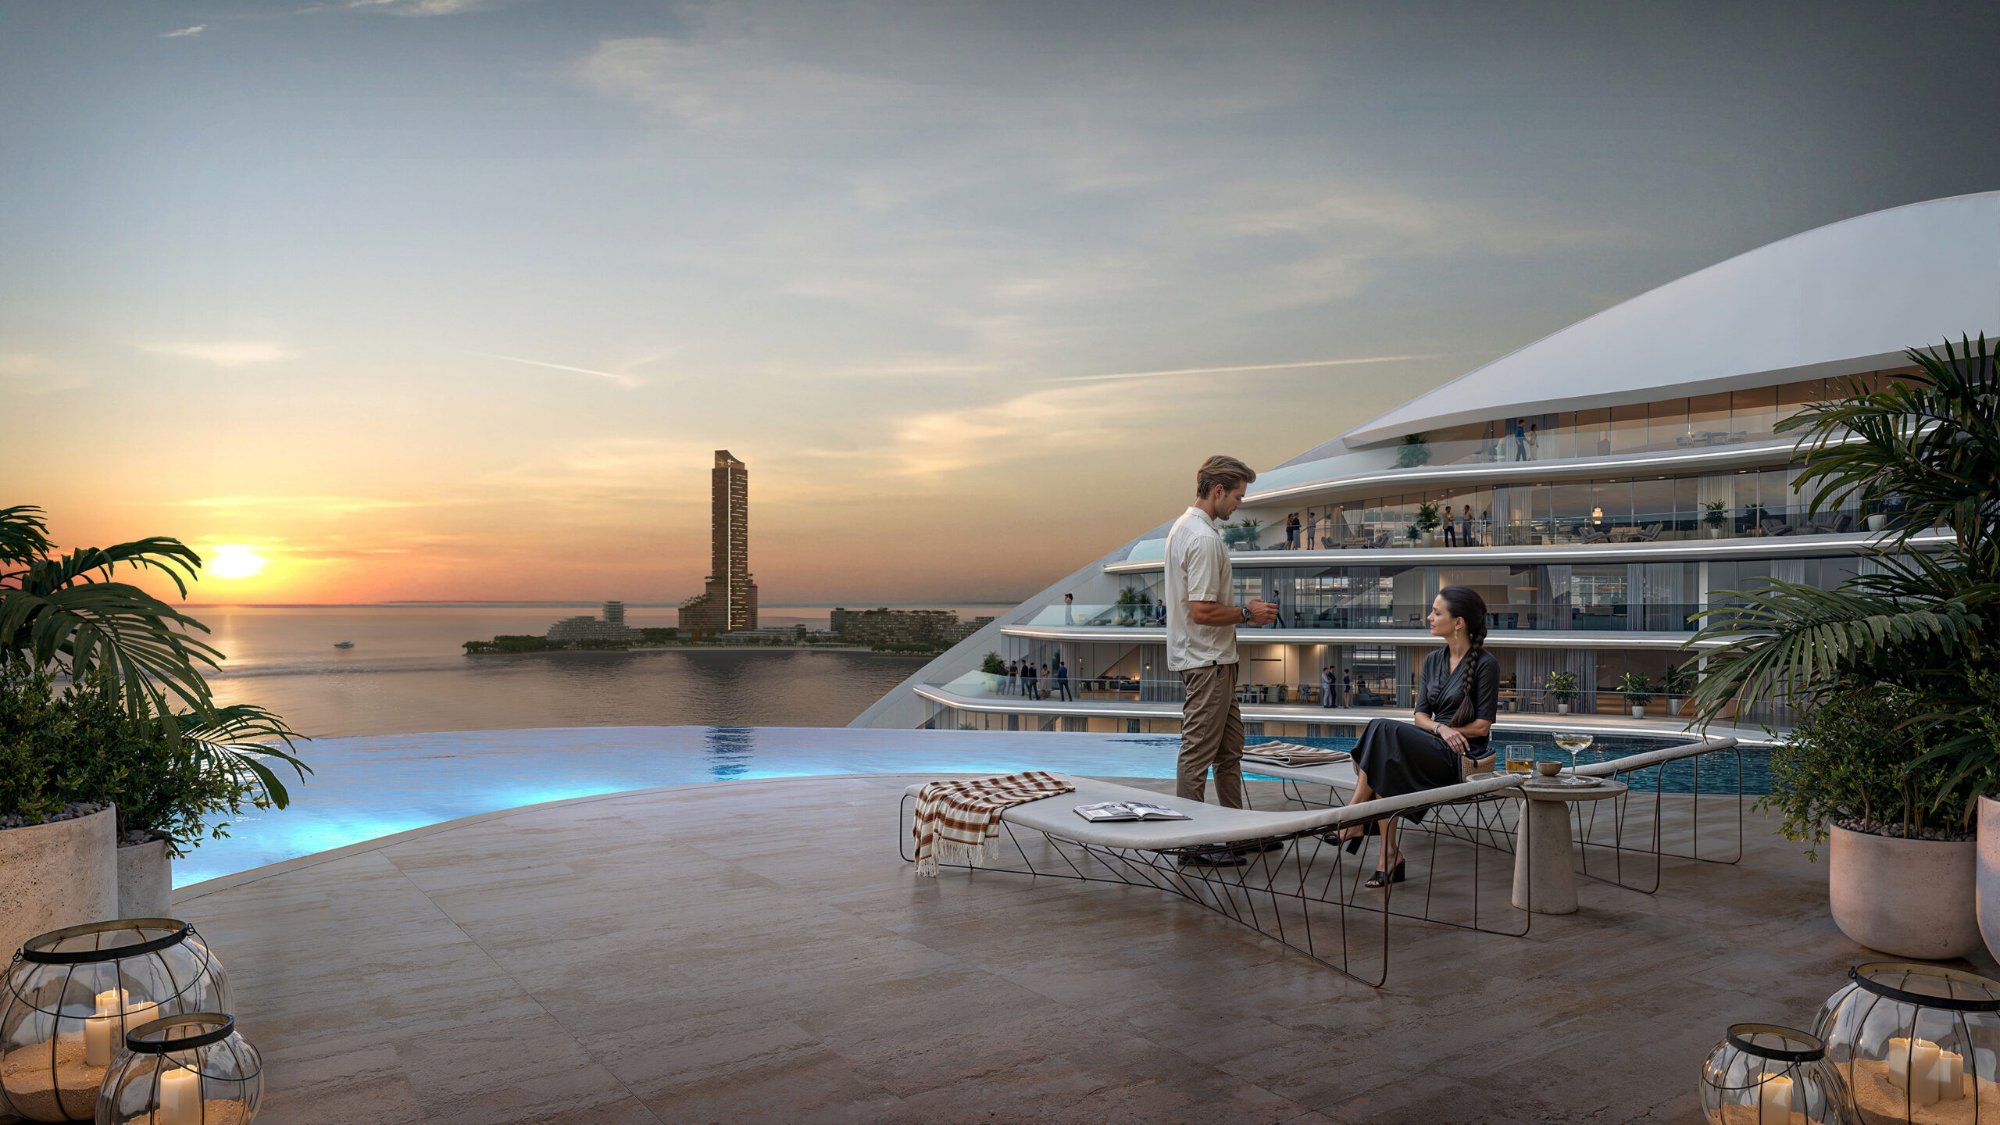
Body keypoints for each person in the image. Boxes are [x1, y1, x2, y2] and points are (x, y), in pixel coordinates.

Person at [1329, 586, 1500, 888]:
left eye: (1437, 612)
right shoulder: (1433, 660)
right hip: (1434, 741)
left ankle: (1353, 817)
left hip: (1460, 757)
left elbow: (1482, 727)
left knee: (1382, 730)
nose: (1429, 617)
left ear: (1458, 622)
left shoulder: (1486, 665)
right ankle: (1387, 856)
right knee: (1386, 753)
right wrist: (1440, 728)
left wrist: (1449, 731)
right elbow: (1420, 716)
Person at [1166, 454, 1278, 865]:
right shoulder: (1204, 539)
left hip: (1214, 660)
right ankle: (1190, 841)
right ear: (1217, 492)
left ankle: (1235, 832)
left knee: (1230, 751)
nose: (1240, 504)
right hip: (1207, 661)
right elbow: (1202, 610)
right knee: (1198, 752)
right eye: (1237, 496)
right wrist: (1249, 614)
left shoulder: (1183, 528)